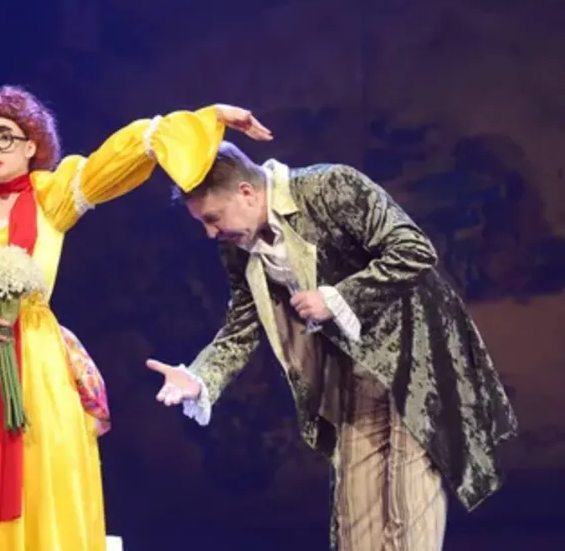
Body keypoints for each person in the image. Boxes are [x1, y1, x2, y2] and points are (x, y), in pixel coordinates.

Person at [0, 86, 271, 551]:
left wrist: (203, 119)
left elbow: (115, 159)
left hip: (34, 362)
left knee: (42, 478)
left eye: (5, 136)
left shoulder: (50, 197)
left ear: (30, 145)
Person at [146, 140, 517, 550]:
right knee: (356, 518)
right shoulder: (238, 246)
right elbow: (243, 323)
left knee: (408, 504)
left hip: (415, 357)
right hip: (353, 372)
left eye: (212, 218)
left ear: (246, 193)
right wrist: (201, 377)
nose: (210, 233)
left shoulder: (330, 186)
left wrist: (339, 297)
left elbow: (414, 250)